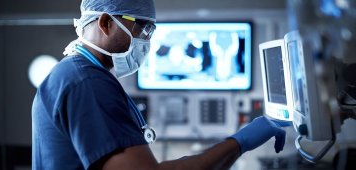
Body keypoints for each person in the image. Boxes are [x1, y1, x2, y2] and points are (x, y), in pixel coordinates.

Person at [31, 0, 286, 169]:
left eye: (151, 31)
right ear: (105, 23)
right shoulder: (87, 83)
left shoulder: (75, 74)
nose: (147, 41)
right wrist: (240, 142)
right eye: (142, 29)